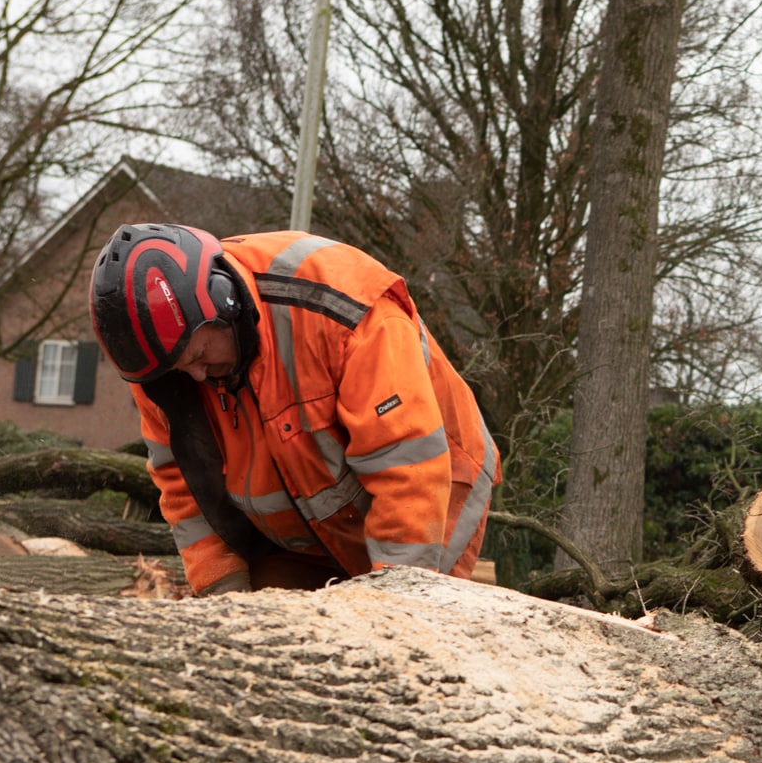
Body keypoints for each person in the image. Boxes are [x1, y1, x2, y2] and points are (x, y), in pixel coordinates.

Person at [90, 224, 499, 595]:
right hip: (300, 525)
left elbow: (407, 467)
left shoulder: (342, 311)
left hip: (433, 487)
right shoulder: (163, 371)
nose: (197, 376)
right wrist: (222, 596)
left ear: (224, 298)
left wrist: (393, 607)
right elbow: (181, 484)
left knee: (400, 637)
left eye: (199, 353)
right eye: (180, 367)